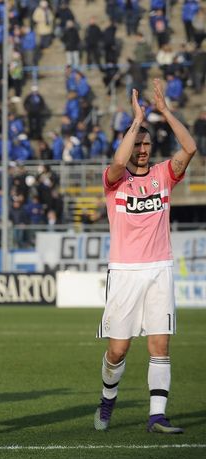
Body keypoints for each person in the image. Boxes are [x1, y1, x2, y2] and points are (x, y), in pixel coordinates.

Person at [94, 79, 197, 434]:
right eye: (138, 143)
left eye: (146, 144)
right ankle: (108, 398)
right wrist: (136, 122)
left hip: (159, 269)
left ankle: (157, 416)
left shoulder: (163, 176)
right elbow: (118, 162)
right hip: (124, 271)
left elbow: (190, 147)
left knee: (160, 343)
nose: (142, 149)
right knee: (118, 350)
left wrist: (165, 111)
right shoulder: (114, 181)